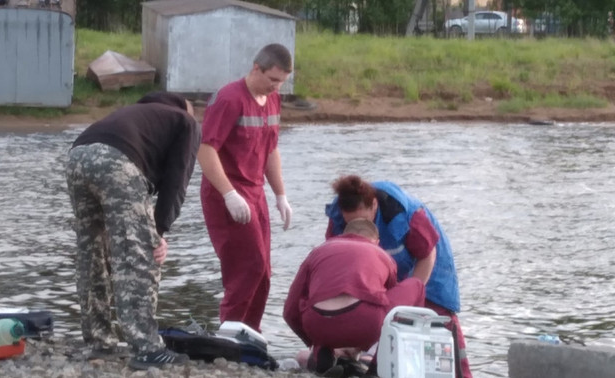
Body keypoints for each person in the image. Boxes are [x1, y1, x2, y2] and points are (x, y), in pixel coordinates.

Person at [65, 91, 201, 370]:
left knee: (92, 254)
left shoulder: (138, 114)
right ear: (186, 108)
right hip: (117, 162)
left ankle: (98, 341)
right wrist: (159, 231)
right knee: (136, 254)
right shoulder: (185, 121)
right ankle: (147, 348)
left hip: (77, 156)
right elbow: (178, 180)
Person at [325, 175, 472, 378]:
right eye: (352, 223)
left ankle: (461, 373)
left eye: (364, 221)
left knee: (439, 321)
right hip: (383, 264)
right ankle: (377, 366)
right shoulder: (337, 217)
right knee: (379, 314)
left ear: (374, 205)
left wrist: (410, 297)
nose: (358, 229)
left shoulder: (402, 212)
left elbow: (428, 255)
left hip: (429, 263)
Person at [198, 43, 293, 332]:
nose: (276, 87)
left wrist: (280, 194)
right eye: (272, 80)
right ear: (256, 69)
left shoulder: (273, 100)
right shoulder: (229, 99)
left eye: (281, 82)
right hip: (226, 193)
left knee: (264, 271)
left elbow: (270, 151)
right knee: (246, 266)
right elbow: (205, 150)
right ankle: (230, 331)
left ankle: (250, 333)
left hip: (255, 193)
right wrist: (229, 194)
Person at [283, 219, 425, 376]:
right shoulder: (382, 255)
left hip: (317, 326)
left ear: (344, 236)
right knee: (416, 285)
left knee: (318, 300)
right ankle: (375, 368)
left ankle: (322, 355)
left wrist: (312, 339)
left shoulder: (319, 251)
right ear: (376, 242)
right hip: (364, 324)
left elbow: (290, 310)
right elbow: (391, 310)